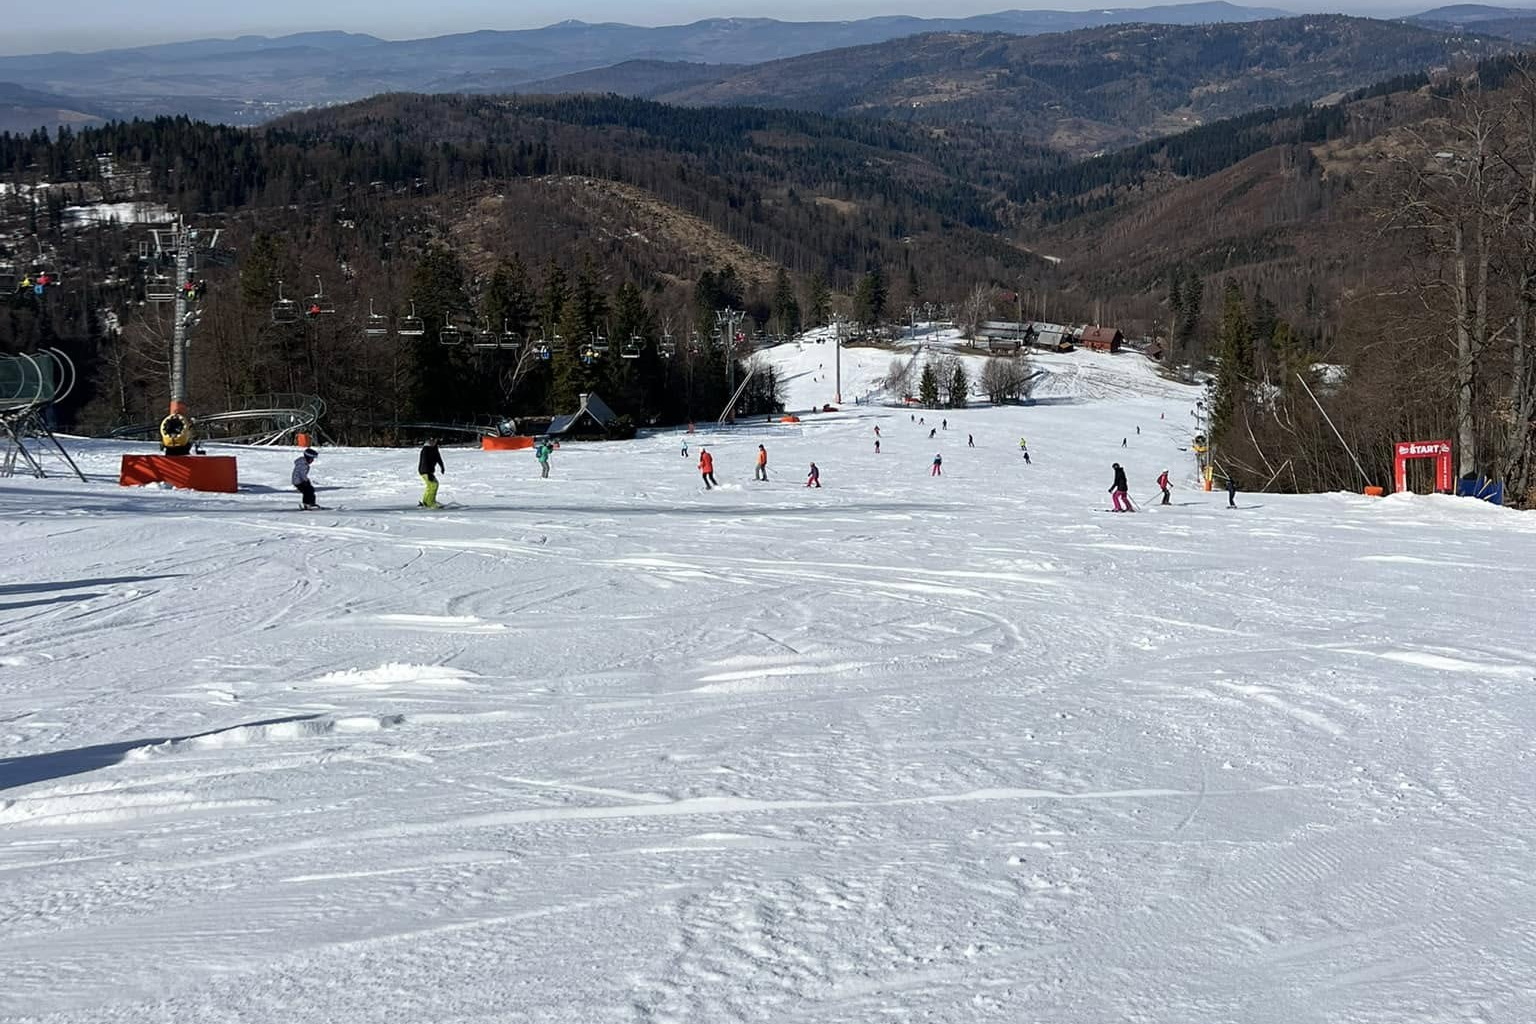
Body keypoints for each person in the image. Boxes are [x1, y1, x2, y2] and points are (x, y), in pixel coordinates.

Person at [418, 438, 444, 508]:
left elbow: (438, 458)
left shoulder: (434, 448)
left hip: (429, 471)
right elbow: (424, 462)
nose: (436, 442)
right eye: (434, 441)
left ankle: (426, 501)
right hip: (425, 471)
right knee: (433, 485)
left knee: (431, 486)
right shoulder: (426, 450)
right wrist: (428, 473)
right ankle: (430, 502)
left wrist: (442, 467)